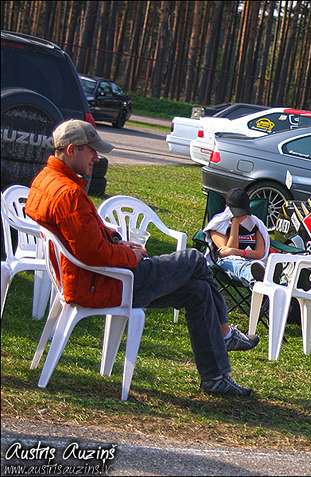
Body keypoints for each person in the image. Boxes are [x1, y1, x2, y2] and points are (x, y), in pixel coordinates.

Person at [25, 119, 258, 398]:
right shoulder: (69, 192)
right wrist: (130, 254)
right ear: (72, 150)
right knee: (195, 259)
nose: (97, 158)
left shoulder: (47, 180)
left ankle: (216, 378)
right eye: (92, 152)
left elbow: (87, 230)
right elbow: (91, 253)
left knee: (199, 291)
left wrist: (114, 237)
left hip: (87, 279)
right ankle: (225, 335)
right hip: (104, 283)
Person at [204, 188, 269, 288]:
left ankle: (268, 283)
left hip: (253, 262)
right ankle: (262, 282)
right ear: (227, 208)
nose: (241, 215)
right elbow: (226, 254)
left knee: (259, 266)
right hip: (227, 262)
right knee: (242, 267)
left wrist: (237, 252)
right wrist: (235, 224)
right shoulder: (218, 225)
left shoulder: (256, 225)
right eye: (237, 212)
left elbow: (260, 253)